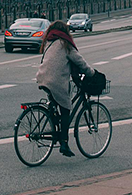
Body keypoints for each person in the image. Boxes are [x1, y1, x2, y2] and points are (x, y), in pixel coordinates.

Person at [35, 21, 97, 157]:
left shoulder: (49, 42)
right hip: (55, 81)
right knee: (66, 109)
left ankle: (55, 126)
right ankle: (64, 142)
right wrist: (92, 73)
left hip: (42, 78)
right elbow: (79, 61)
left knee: (56, 105)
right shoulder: (65, 43)